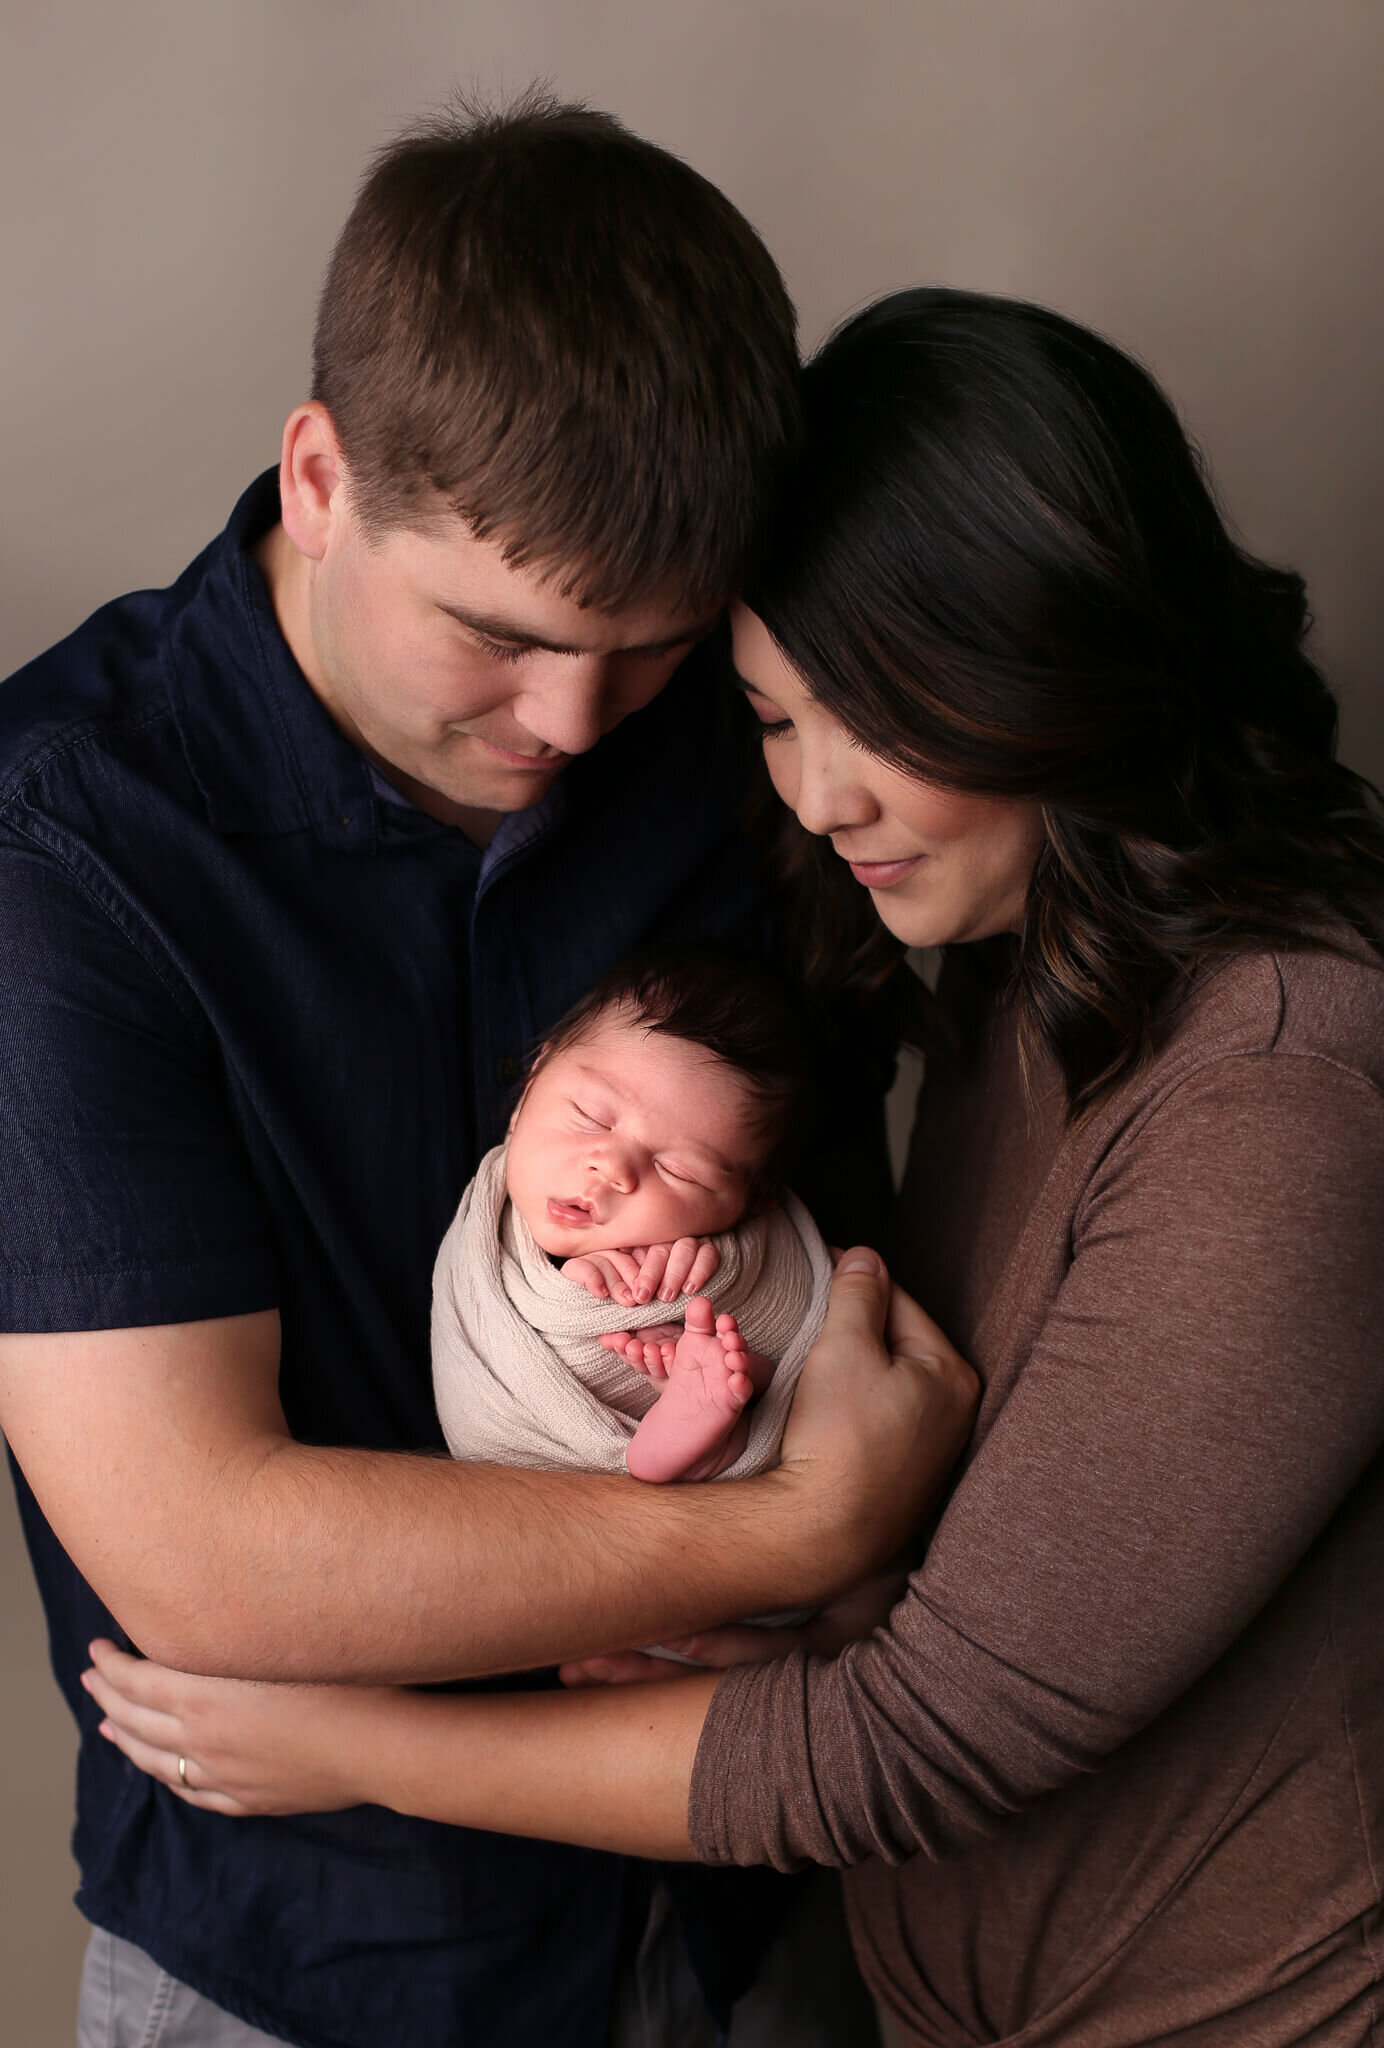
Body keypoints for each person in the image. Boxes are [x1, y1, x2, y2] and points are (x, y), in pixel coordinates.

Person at [88, 288, 1384, 2048]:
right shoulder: (1027, 967)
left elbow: (940, 1725)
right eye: (775, 721)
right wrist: (810, 1585)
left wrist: (350, 1745)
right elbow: (1011, 1555)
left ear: (1042, 650)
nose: (819, 795)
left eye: (876, 713)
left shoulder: (1278, 1086)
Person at [0, 97, 974, 2048]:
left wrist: (853, 1571)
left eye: (642, 651)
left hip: (764, 1889)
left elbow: (857, 1258)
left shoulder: (712, 736)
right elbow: (206, 1558)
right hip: (310, 1955)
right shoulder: (65, 849)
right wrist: (803, 1526)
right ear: (319, 474)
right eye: (499, 637)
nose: (566, 718)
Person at [433, 950, 833, 1488]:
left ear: (747, 1205)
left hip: (711, 1441)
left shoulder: (723, 1250)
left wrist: (697, 1286)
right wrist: (575, 1292)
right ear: (531, 1084)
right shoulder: (483, 1226)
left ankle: (719, 1416)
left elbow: (784, 1299)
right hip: (513, 1484)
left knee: (717, 1346)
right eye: (590, 1116)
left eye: (678, 1171)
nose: (613, 1167)